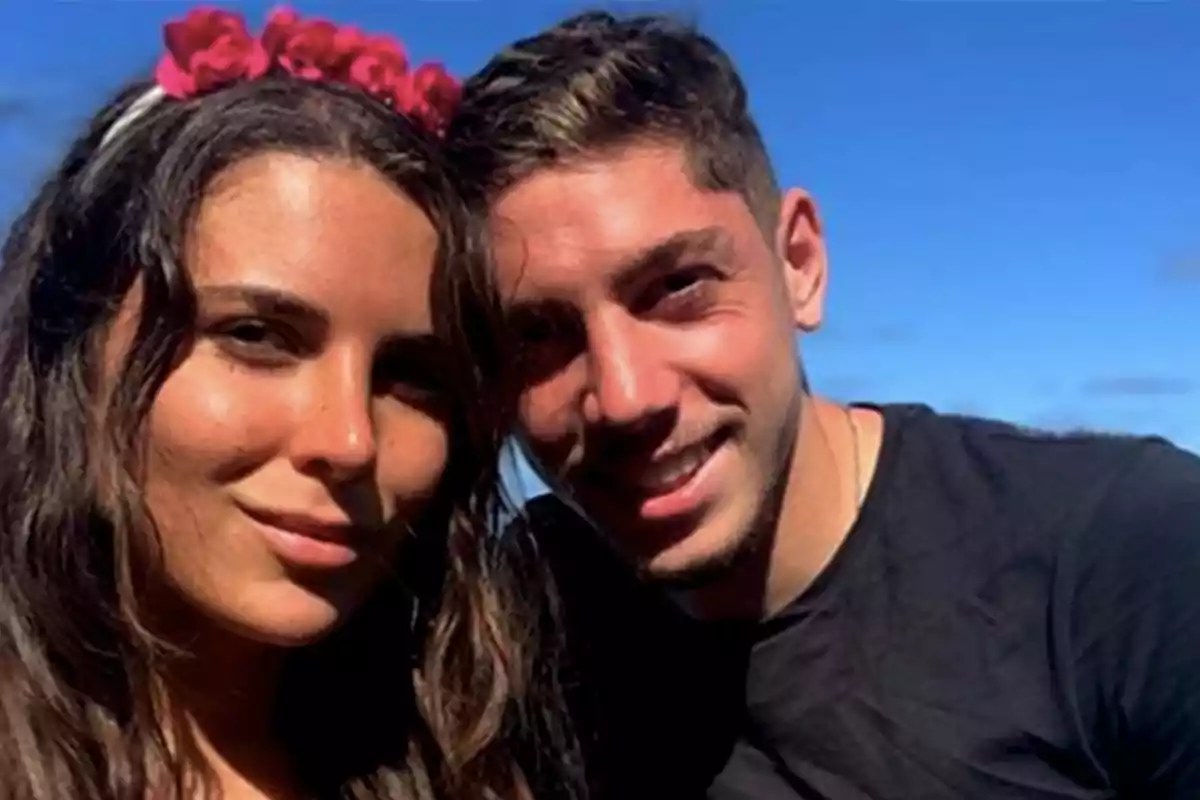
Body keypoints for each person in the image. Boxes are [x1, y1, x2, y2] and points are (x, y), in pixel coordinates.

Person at [444, 10, 1200, 799]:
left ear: (798, 264)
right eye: (536, 337)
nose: (626, 396)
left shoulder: (1120, 563)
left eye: (677, 288)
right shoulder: (528, 620)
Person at [0, 6, 580, 799]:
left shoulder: (474, 752)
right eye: (257, 336)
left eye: (412, 376)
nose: (350, 441)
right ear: (72, 345)